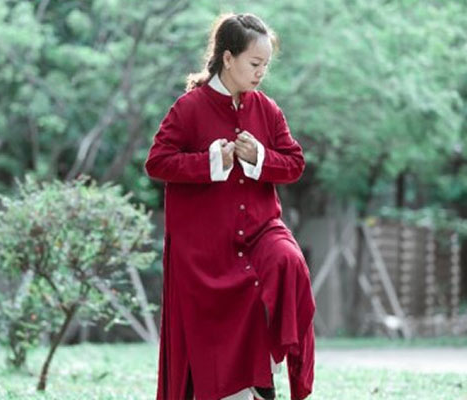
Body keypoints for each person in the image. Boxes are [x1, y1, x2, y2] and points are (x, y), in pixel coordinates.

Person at [145, 12, 315, 400]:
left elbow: (294, 163)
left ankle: (269, 366)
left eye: (265, 65)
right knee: (236, 304)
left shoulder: (267, 109)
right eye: (254, 63)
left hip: (260, 230)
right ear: (227, 58)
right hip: (204, 246)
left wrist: (260, 157)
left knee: (288, 262)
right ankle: (251, 384)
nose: (261, 73)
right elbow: (157, 162)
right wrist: (208, 162)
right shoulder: (189, 108)